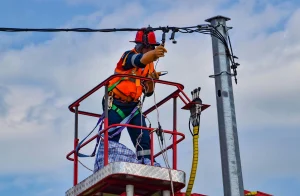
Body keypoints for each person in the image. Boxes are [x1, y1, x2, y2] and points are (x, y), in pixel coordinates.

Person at [102, 28, 167, 164]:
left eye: (152, 48)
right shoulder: (127, 56)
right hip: (115, 104)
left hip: (133, 107)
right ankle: (106, 163)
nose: (150, 49)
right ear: (143, 46)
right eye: (149, 47)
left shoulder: (149, 66)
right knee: (112, 135)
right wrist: (154, 55)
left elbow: (148, 93)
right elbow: (138, 61)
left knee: (142, 135)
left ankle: (146, 162)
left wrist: (151, 80)